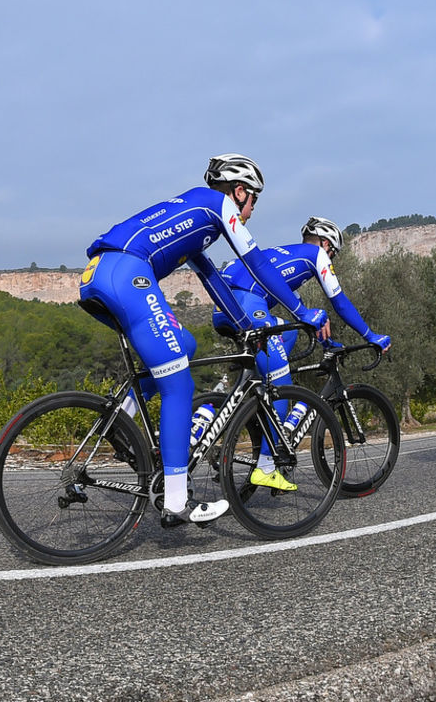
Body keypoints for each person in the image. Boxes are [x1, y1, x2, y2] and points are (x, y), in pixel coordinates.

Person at [79, 154, 329, 526]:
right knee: (180, 387)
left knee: (185, 347)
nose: (252, 209)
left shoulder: (198, 216)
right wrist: (302, 312)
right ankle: (177, 502)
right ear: (240, 191)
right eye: (254, 200)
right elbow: (258, 264)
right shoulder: (218, 204)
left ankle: (123, 416)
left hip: (100, 275)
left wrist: (246, 326)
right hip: (128, 272)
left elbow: (212, 280)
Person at [210, 216, 389, 491]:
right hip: (247, 302)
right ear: (327, 244)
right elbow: (339, 302)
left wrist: (327, 342)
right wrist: (370, 335)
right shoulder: (317, 254)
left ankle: (224, 414)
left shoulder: (288, 259)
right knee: (280, 385)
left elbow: (302, 315)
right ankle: (267, 466)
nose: (331, 260)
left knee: (289, 331)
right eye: (334, 255)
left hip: (226, 305)